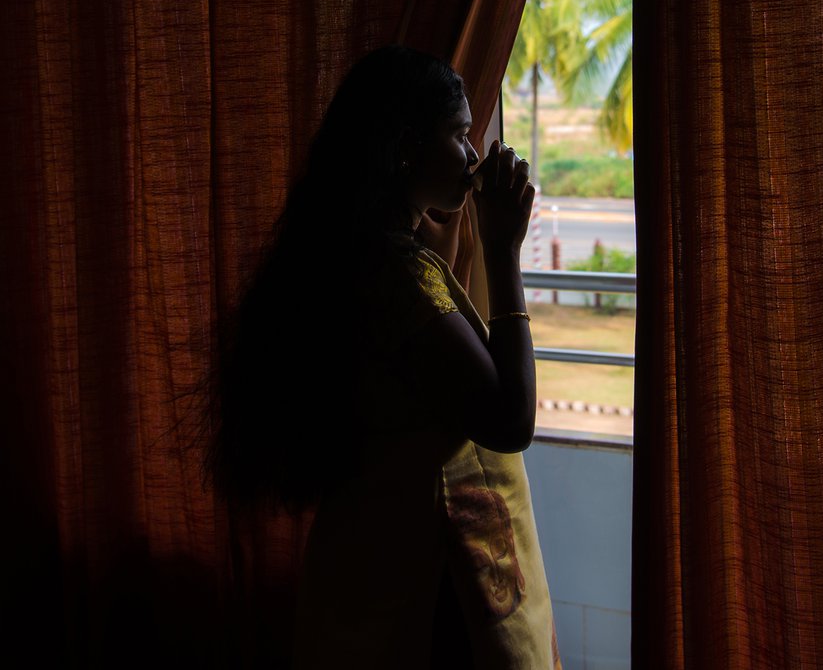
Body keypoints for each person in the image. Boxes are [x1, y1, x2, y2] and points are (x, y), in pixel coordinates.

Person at [205, 45, 561, 668]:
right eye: (458, 135)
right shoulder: (395, 277)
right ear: (406, 147)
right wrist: (503, 250)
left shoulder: (358, 257)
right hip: (419, 590)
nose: (472, 156)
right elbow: (510, 421)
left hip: (371, 567)